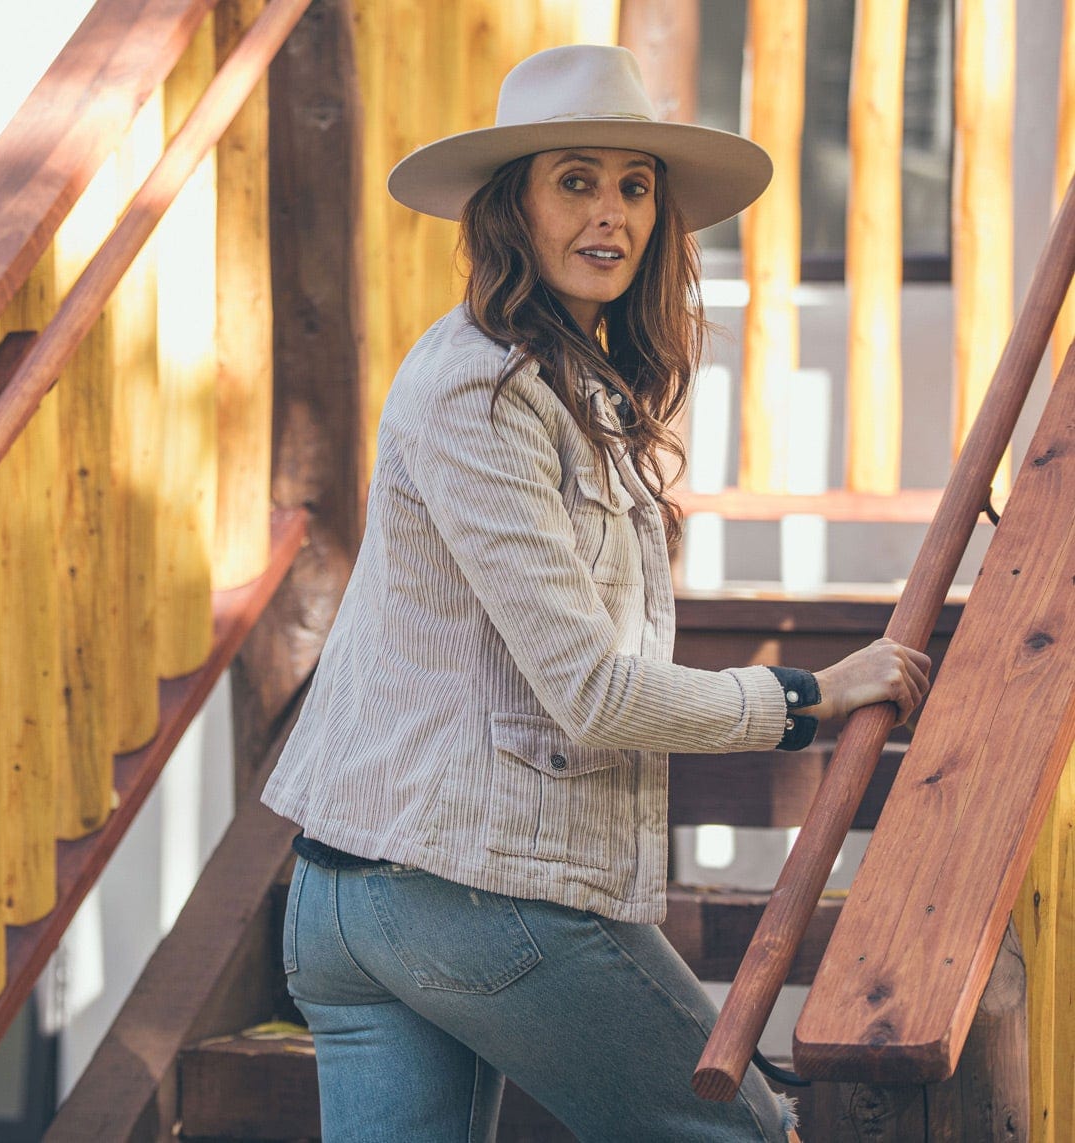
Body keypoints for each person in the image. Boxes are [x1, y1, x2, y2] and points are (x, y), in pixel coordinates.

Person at [259, 43, 932, 1142]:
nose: (609, 214)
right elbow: (593, 693)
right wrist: (809, 698)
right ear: (510, 207)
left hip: (362, 891)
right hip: (467, 893)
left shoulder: (560, 378)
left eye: (632, 186)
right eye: (575, 180)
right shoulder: (483, 386)